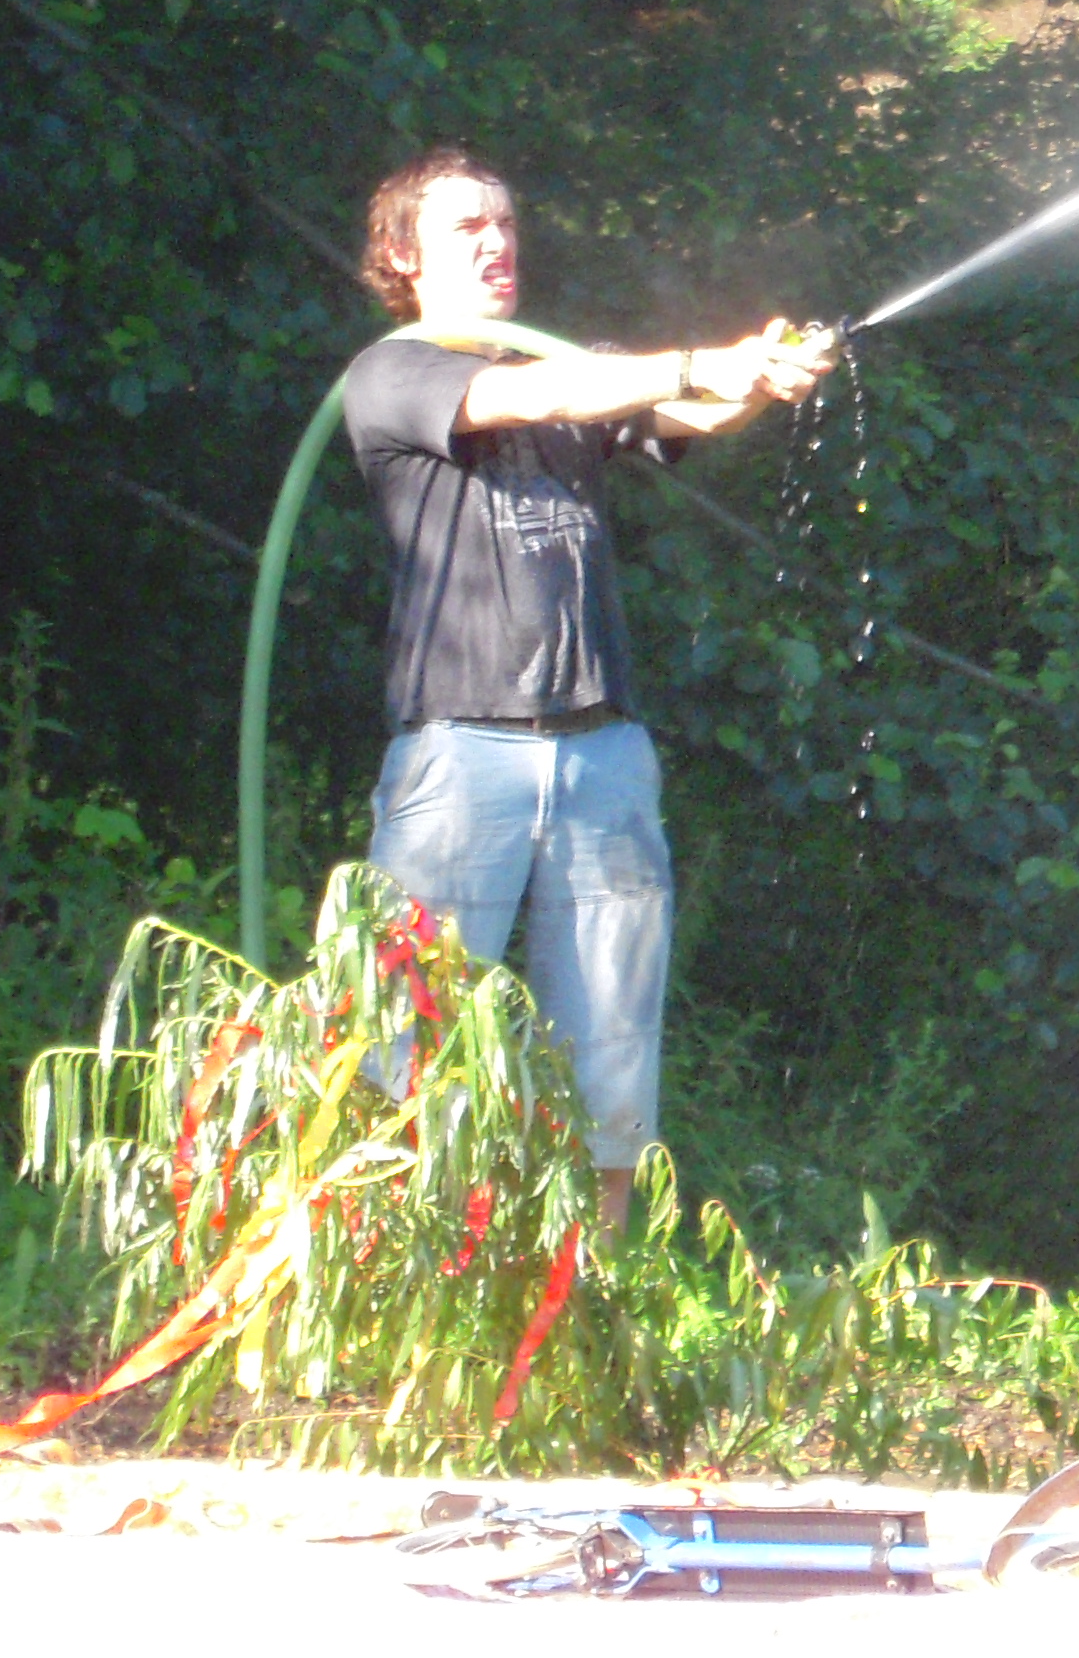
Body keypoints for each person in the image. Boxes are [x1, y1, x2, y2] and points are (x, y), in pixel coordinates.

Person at [344, 147, 833, 1228]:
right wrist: (696, 359)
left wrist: (756, 374)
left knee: (609, 1064)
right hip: (461, 752)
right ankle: (394, 1283)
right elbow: (542, 392)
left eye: (506, 222)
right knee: (403, 1053)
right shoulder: (395, 373)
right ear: (404, 256)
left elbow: (684, 411)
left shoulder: (565, 372)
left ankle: (596, 1287)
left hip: (602, 751)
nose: (497, 242)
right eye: (467, 226)